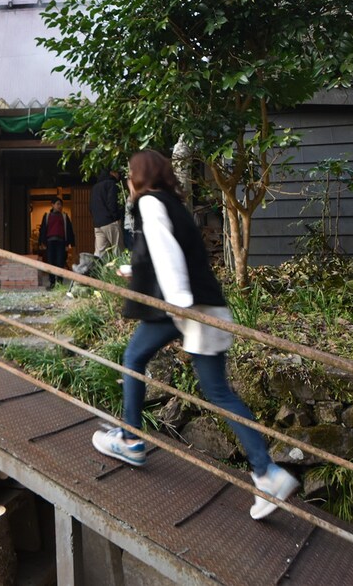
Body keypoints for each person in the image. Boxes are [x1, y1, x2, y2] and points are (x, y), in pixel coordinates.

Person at [91, 149, 299, 520]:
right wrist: (134, 271)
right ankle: (265, 472)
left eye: (129, 174)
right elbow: (167, 255)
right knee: (155, 365)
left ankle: (132, 439)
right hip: (196, 304)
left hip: (187, 307)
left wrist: (179, 301)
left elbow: (168, 255)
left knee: (168, 372)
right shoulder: (172, 203)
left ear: (139, 178)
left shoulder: (151, 203)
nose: (127, 181)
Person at [37, 197, 75, 288]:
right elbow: (42, 230)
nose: (59, 206)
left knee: (60, 262)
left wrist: (69, 243)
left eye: (61, 204)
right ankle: (52, 282)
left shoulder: (64, 216)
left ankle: (60, 283)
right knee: (50, 262)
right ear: (52, 205)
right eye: (57, 204)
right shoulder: (47, 216)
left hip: (61, 242)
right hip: (50, 242)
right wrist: (41, 242)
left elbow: (69, 230)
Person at [89, 167, 124, 257]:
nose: (118, 175)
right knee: (118, 252)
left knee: (99, 254)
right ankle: (119, 271)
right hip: (110, 222)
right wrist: (116, 217)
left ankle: (96, 271)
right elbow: (112, 203)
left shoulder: (95, 187)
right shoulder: (111, 184)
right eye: (117, 172)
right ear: (111, 172)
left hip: (98, 224)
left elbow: (91, 206)